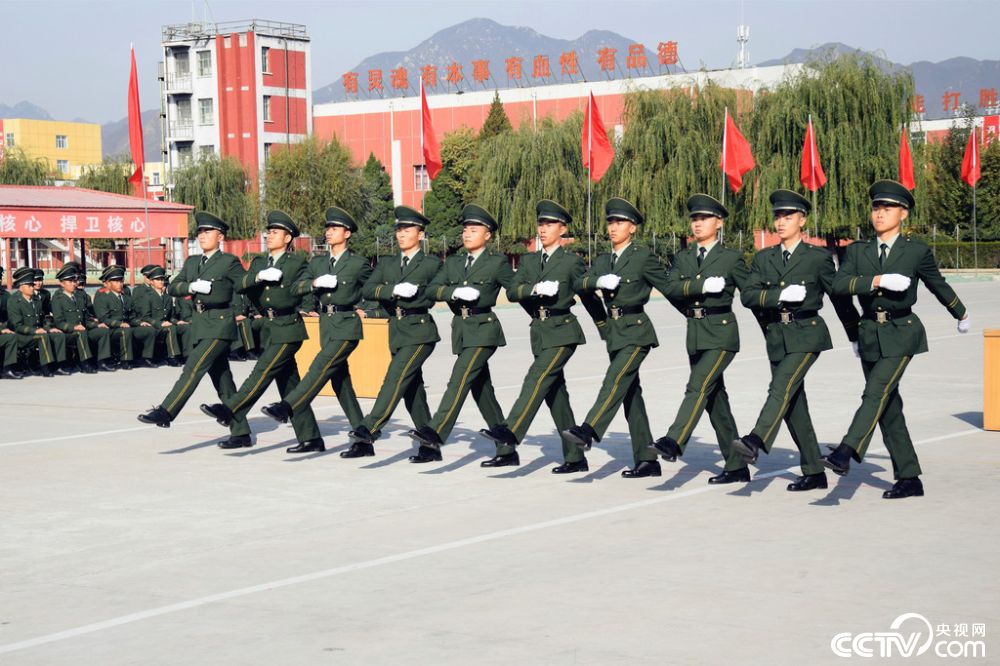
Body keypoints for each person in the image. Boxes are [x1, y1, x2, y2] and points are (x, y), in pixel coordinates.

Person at [823, 180, 971, 499]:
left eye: (887, 208)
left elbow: (937, 284)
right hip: (870, 334)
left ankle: (847, 451)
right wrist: (876, 280)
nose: (880, 213)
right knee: (888, 407)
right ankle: (909, 477)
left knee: (875, 392)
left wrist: (960, 313)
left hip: (902, 332)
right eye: (877, 207)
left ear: (903, 213)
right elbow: (838, 286)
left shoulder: (915, 251)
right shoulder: (857, 251)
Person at [730, 189, 861, 491]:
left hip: (807, 334)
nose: (781, 221)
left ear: (802, 220)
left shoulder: (817, 258)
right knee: (792, 404)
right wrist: (778, 296)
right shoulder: (764, 258)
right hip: (777, 337)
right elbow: (749, 296)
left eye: (788, 216)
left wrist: (854, 334)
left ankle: (756, 439)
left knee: (780, 387)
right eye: (777, 215)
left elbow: (839, 298)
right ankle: (814, 472)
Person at [479, 200, 606, 468]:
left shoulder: (571, 262)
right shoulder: (529, 261)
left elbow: (588, 296)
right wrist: (534, 290)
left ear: (563, 229)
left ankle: (511, 431)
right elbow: (513, 292)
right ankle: (575, 457)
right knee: (556, 396)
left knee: (535, 378)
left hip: (563, 332)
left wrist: (606, 328)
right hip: (539, 332)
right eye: (540, 224)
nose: (543, 229)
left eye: (549, 224)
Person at [563, 197, 673, 477]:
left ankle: (589, 429)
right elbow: (579, 284)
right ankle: (647, 460)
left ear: (633, 227)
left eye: (620, 222)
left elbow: (670, 287)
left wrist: (699, 312)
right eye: (611, 221)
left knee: (614, 380)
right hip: (615, 333)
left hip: (637, 331)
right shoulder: (603, 260)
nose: (613, 227)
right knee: (630, 395)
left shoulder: (643, 256)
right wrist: (597, 282)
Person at [198, 211, 324, 450]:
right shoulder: (258, 263)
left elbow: (301, 289)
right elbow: (240, 285)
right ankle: (311, 438)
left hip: (288, 328)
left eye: (275, 232)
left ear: (288, 238)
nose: (269, 235)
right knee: (290, 385)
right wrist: (258, 277)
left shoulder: (297, 263)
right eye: (269, 232)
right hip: (269, 328)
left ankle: (231, 409)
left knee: (262, 371)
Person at [651, 194, 751, 482]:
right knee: (715, 401)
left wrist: (774, 329)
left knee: (697, 386)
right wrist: (700, 285)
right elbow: (671, 288)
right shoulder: (683, 257)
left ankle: (674, 440)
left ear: (718, 223)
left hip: (722, 334)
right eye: (695, 218)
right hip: (695, 335)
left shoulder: (731, 258)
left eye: (704, 218)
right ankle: (736, 466)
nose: (698, 223)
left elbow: (753, 296)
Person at [406, 204, 514, 463]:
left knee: (459, 378)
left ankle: (436, 432)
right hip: (462, 331)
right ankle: (506, 450)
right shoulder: (453, 262)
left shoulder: (497, 262)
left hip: (484, 329)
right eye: (465, 229)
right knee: (482, 390)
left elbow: (515, 290)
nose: (467, 234)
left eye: (474, 230)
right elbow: (432, 290)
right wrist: (453, 293)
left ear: (487, 235)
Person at [261, 206, 372, 453]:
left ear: (347, 233)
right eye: (327, 228)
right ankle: (364, 439)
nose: (329, 232)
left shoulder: (358, 263)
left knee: (319, 366)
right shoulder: (318, 262)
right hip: (326, 326)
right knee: (341, 384)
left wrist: (368, 309)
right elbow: (294, 288)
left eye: (335, 228)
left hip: (347, 326)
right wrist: (313, 284)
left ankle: (288, 406)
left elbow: (374, 289)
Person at [339, 206, 442, 458]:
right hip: (395, 331)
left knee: (394, 378)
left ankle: (369, 429)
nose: (401, 234)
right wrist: (393, 290)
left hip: (419, 331)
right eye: (398, 229)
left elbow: (433, 293)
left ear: (420, 233)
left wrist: (415, 294)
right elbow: (369, 290)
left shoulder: (431, 264)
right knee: (412, 391)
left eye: (407, 229)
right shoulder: (387, 263)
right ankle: (430, 446)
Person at [136, 211, 249, 433]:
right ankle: (241, 432)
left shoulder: (229, 262)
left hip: (219, 324)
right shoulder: (192, 262)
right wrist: (191, 287)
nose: (202, 235)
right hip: (199, 324)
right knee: (222, 380)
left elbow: (245, 284)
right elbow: (174, 286)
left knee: (193, 367)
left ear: (220, 237)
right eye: (200, 232)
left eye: (208, 231)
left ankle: (167, 410)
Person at [50, 262, 115, 373]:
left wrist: (96, 324)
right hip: (68, 332)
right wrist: (74, 327)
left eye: (74, 281)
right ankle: (84, 363)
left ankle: (102, 362)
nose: (73, 284)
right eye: (70, 281)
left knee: (102, 331)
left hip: (83, 329)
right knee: (81, 334)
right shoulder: (58, 298)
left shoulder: (79, 297)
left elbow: (85, 318)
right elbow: (59, 322)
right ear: (62, 283)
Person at [6, 266, 69, 376]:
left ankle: (59, 365)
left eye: (32, 284)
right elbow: (17, 326)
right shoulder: (14, 301)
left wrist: (50, 328)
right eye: (30, 285)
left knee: (58, 335)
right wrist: (35, 331)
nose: (33, 287)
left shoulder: (36, 300)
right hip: (21, 335)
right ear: (21, 287)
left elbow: (42, 321)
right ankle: (46, 367)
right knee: (42, 337)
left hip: (36, 332)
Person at [93, 265, 157, 369]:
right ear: (108, 283)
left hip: (127, 326)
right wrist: (119, 324)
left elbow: (131, 316)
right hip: (112, 329)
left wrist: (140, 323)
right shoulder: (104, 297)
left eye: (121, 281)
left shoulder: (126, 298)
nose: (120, 284)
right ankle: (126, 360)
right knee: (125, 331)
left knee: (149, 330)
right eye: (116, 281)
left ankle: (145, 358)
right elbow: (103, 318)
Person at [136, 266, 183, 366]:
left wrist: (177, 321)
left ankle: (174, 356)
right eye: (158, 280)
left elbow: (171, 317)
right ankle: (172, 357)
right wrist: (160, 323)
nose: (161, 282)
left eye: (162, 279)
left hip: (165, 326)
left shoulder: (167, 297)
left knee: (174, 327)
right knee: (170, 329)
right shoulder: (147, 296)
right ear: (151, 282)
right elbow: (145, 317)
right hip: (153, 326)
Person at [0, 266, 24, 379]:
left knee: (12, 336)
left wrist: (5, 327)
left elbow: (10, 316)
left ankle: (7, 369)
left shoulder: (5, 296)